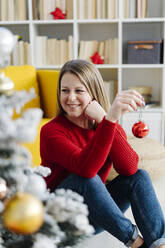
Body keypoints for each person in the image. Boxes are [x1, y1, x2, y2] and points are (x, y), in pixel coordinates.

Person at [40, 59, 165, 248]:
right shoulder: (51, 131)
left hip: (96, 215)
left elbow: (129, 169)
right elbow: (86, 170)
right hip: (60, 217)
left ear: (93, 93)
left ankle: (159, 244)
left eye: (79, 90)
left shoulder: (106, 125)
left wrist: (105, 120)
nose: (71, 98)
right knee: (86, 179)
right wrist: (110, 119)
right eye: (65, 90)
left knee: (140, 176)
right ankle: (136, 243)